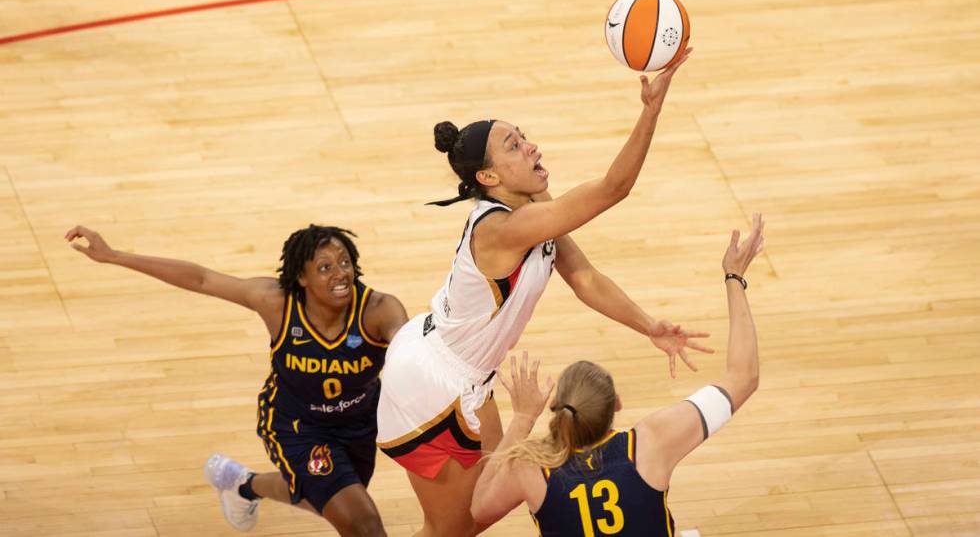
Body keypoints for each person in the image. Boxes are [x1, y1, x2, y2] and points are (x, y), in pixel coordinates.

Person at [376, 48, 708, 536]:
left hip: (466, 371)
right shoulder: (502, 229)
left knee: (485, 506)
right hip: (428, 384)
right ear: (488, 179)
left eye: (523, 136)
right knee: (455, 529)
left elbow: (583, 277)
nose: (531, 147)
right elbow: (615, 187)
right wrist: (651, 109)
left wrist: (648, 326)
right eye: (513, 146)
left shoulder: (534, 203)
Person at [64, 224, 408, 536]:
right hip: (298, 426)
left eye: (344, 262)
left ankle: (243, 485)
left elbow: (411, 350)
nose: (340, 274)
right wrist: (112, 256)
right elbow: (201, 279)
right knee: (364, 526)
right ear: (301, 278)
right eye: (324, 267)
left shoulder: (377, 309)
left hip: (360, 422)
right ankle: (245, 485)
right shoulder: (276, 302)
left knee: (326, 500)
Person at [470, 215, 765, 535]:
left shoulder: (531, 467)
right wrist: (734, 276)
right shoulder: (652, 442)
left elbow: (480, 507)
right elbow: (743, 376)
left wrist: (523, 418)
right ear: (617, 405)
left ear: (555, 406)